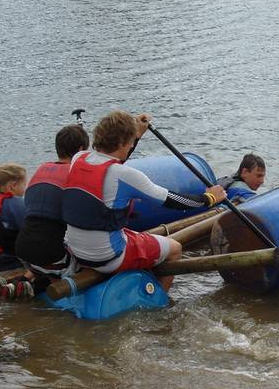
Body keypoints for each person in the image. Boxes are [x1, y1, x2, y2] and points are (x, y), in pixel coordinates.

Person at [63, 111, 226, 291]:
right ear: (121, 143)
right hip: (107, 257)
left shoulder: (79, 158)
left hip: (74, 250)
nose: (133, 144)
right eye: (131, 141)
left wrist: (136, 134)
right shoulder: (126, 175)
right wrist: (209, 198)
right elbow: (172, 200)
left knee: (129, 231)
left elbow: (111, 162)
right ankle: (160, 303)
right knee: (174, 248)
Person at [15, 124, 89, 284]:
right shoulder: (76, 175)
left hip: (23, 248)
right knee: (89, 257)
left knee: (48, 238)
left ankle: (28, 278)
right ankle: (42, 284)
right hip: (51, 253)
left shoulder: (42, 169)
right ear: (81, 149)